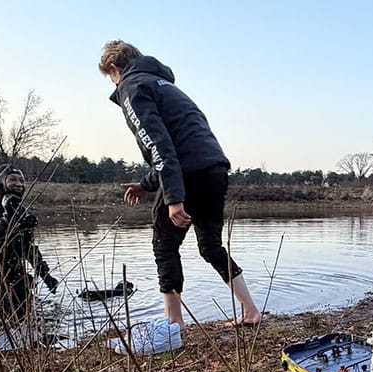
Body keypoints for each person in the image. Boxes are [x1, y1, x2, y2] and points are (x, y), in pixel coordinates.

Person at [98, 40, 261, 328]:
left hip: (187, 176)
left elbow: (160, 147)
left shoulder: (132, 88)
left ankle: (173, 322)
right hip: (214, 170)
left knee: (164, 245)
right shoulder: (169, 88)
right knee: (210, 247)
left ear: (114, 68)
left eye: (109, 78)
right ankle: (250, 311)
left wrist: (174, 199)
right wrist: (145, 185)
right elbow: (182, 150)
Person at [0, 164, 59, 321]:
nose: (19, 184)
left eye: (22, 180)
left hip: (14, 278)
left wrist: (45, 274)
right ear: (0, 183)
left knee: (24, 319)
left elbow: (28, 248)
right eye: (13, 179)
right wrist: (7, 218)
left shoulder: (23, 213)